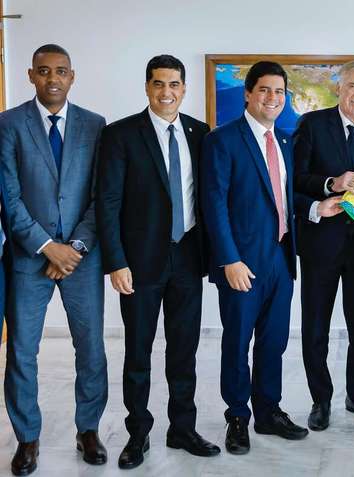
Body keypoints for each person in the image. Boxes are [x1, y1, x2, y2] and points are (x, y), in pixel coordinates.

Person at [202, 61, 340, 454]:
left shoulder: (283, 141)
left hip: (281, 258)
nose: (272, 98)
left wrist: (316, 209)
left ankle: (268, 410)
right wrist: (228, 259)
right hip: (242, 263)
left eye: (279, 92)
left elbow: (282, 197)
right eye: (264, 90)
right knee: (238, 341)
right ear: (248, 94)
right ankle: (237, 417)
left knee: (273, 342)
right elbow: (214, 204)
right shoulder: (223, 140)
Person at [97, 54, 220, 470]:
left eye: (174, 84)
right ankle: (138, 434)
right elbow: (108, 202)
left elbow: (210, 196)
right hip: (139, 262)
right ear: (147, 88)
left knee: (184, 350)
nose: (166, 92)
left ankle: (182, 428)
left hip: (187, 256)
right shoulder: (121, 135)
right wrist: (115, 262)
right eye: (158, 84)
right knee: (138, 352)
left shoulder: (200, 134)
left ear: (184, 88)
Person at [0, 44, 108, 476]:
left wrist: (74, 248)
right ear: (30, 75)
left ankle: (89, 430)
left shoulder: (95, 126)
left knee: (92, 349)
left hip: (82, 259)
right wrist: (47, 247)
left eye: (60, 71)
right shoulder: (8, 125)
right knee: (22, 352)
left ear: (72, 75)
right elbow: (9, 197)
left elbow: (103, 197)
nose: (52, 79)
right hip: (29, 259)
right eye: (44, 71)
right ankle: (27, 438)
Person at [293, 60, 354, 431]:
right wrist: (331, 182)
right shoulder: (313, 125)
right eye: (353, 86)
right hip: (321, 242)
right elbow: (296, 179)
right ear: (339, 87)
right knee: (315, 326)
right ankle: (321, 400)